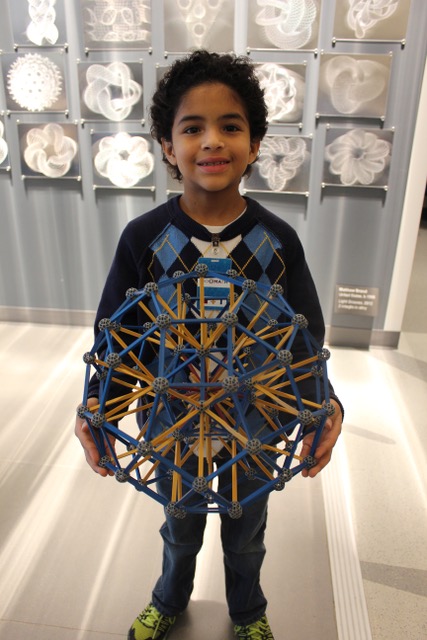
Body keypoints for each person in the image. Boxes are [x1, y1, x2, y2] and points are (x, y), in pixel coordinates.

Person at [75, 50, 344, 640]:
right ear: (168, 147)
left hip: (257, 416)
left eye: (231, 126)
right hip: (175, 416)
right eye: (192, 128)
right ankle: (169, 598)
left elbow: (306, 339)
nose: (212, 142)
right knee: (179, 521)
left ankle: (248, 611)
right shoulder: (145, 239)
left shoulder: (277, 241)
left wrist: (327, 405)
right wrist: (98, 410)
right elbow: (118, 337)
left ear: (253, 143)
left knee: (247, 528)